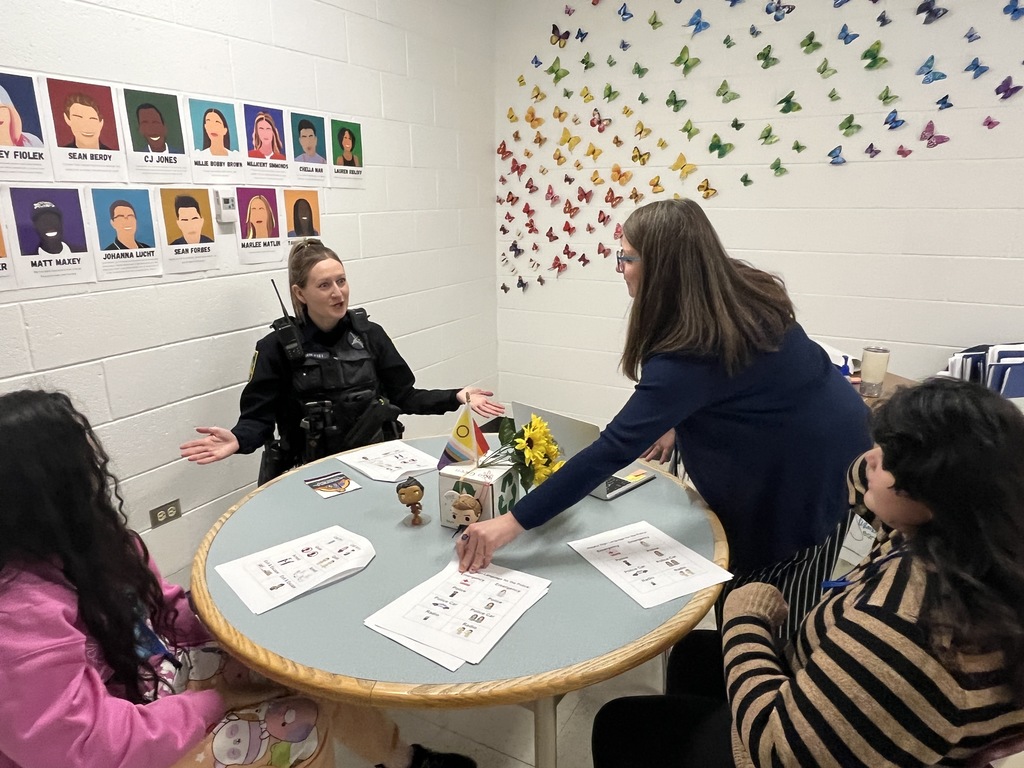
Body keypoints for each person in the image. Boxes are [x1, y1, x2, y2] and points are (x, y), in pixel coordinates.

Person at [457, 198, 871, 638]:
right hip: (824, 433)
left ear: (663, 267)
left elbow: (612, 448)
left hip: (812, 470)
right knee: (741, 592)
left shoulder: (691, 351)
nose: (621, 269)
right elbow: (738, 381)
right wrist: (676, 418)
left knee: (764, 609)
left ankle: (777, 672)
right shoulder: (732, 285)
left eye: (627, 257)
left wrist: (511, 523)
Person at [0, 389, 477, 768]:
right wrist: (214, 701)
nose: (99, 467)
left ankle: (401, 758)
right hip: (122, 736)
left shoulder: (100, 542)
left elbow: (162, 611)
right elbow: (82, 745)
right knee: (302, 721)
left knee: (303, 667)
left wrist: (244, 615)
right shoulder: (19, 613)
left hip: (154, 681)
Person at [592, 378, 1024, 767]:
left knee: (621, 723)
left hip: (784, 744)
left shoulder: (908, 632)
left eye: (889, 459)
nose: (872, 458)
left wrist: (746, 619)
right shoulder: (964, 537)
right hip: (843, 701)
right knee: (693, 653)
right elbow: (859, 476)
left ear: (935, 491)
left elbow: (777, 750)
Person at [180, 239, 504, 484]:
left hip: (374, 464)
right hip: (308, 473)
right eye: (324, 285)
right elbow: (258, 418)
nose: (338, 293)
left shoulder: (370, 335)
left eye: (341, 280)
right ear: (300, 293)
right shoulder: (275, 347)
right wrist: (239, 439)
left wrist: (456, 396)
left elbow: (404, 396)